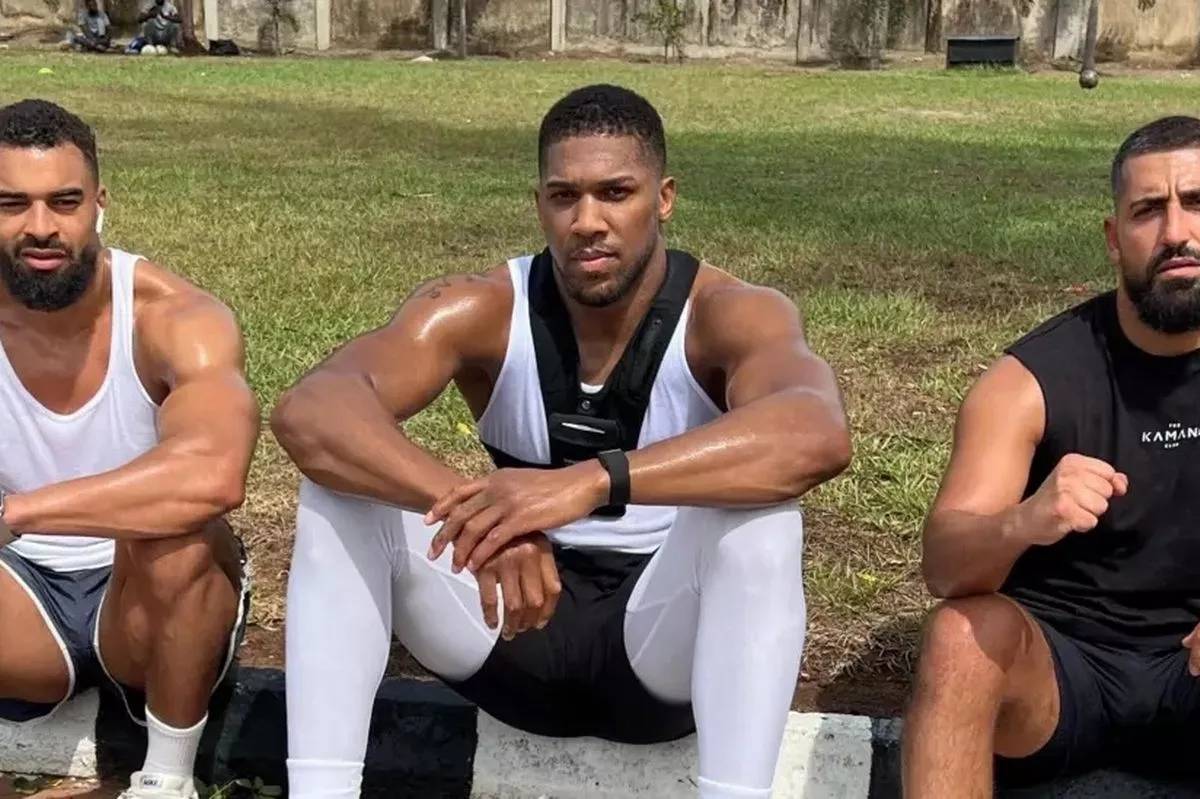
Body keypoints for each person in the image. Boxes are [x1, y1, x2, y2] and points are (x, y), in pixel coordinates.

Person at [272, 83, 852, 799]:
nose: (588, 221)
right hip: (512, 636)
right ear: (538, 203)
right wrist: (481, 511)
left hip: (662, 651)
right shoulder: (481, 305)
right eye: (564, 196)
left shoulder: (731, 312)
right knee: (338, 489)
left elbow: (815, 432)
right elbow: (311, 409)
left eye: (616, 192)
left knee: (761, 521)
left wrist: (585, 482)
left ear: (663, 198)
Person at [903, 114, 1200, 797]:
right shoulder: (1030, 381)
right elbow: (945, 565)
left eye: (1196, 204)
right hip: (1061, 677)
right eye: (1149, 210)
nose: (1177, 232)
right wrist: (1025, 520)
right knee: (957, 638)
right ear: (1112, 236)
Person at [0, 99, 256, 799]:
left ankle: (166, 780)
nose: (41, 227)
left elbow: (215, 474)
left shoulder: (172, 316)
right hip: (22, 598)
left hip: (148, 606)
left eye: (64, 201)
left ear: (100, 204)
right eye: (11, 204)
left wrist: (19, 510)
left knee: (173, 528)